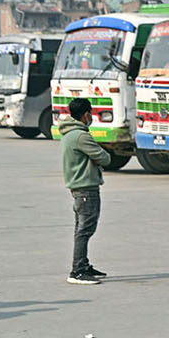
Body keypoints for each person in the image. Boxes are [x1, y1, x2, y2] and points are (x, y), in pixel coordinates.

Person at [60, 98, 111, 285]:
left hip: (78, 187)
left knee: (81, 228)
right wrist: (101, 158)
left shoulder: (69, 133)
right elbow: (105, 158)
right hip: (86, 188)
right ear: (86, 114)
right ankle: (78, 271)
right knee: (85, 229)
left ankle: (83, 264)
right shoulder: (81, 136)